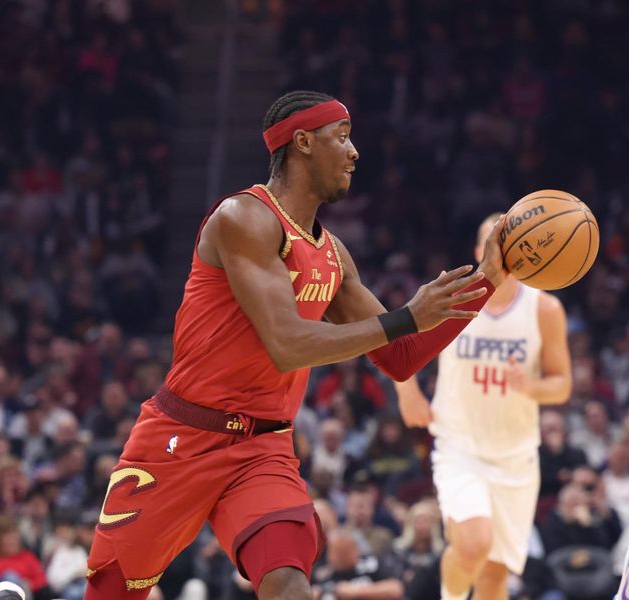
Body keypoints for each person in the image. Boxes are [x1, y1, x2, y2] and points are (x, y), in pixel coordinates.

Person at [81, 90, 507, 600]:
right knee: (110, 593)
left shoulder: (331, 251)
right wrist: (406, 316)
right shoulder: (243, 218)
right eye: (343, 138)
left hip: (263, 450)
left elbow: (400, 356)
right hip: (182, 437)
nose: (354, 153)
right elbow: (287, 343)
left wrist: (489, 280)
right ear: (303, 142)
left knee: (289, 586)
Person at [394, 212, 571, 600]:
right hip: (461, 448)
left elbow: (562, 386)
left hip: (516, 457)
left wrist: (533, 386)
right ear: (480, 251)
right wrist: (408, 393)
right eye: (498, 243)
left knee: (494, 577)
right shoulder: (453, 296)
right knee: (473, 544)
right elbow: (401, 346)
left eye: (517, 245)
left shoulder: (544, 310)